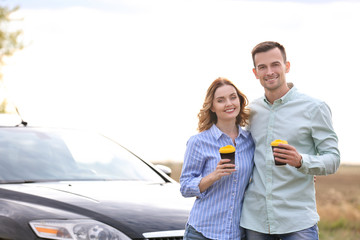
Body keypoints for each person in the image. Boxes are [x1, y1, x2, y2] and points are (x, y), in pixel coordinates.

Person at [240, 41, 341, 240]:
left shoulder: (315, 108)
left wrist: (302, 161)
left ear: (287, 66)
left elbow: (333, 159)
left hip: (297, 223)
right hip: (255, 221)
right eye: (262, 67)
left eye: (275, 64)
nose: (269, 72)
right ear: (255, 72)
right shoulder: (251, 111)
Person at [180, 77, 255, 240]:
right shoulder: (198, 142)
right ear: (212, 107)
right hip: (202, 233)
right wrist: (214, 175)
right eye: (221, 100)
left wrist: (299, 172)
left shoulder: (250, 141)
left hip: (236, 234)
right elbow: (185, 187)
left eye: (233, 97)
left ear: (240, 101)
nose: (229, 103)